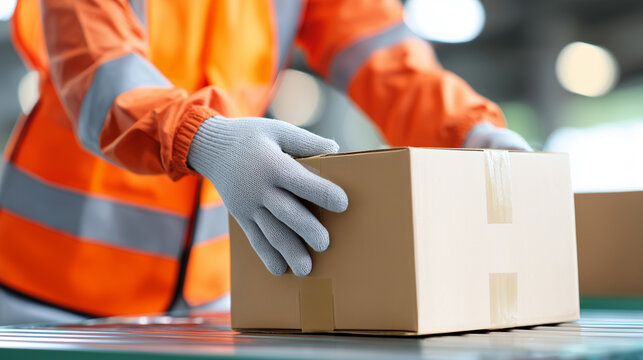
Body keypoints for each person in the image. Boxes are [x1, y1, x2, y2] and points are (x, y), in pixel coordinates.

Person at [0, 0, 531, 325]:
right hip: (49, 292)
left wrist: (466, 128)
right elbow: (97, 71)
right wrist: (203, 137)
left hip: (204, 297)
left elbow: (375, 47)